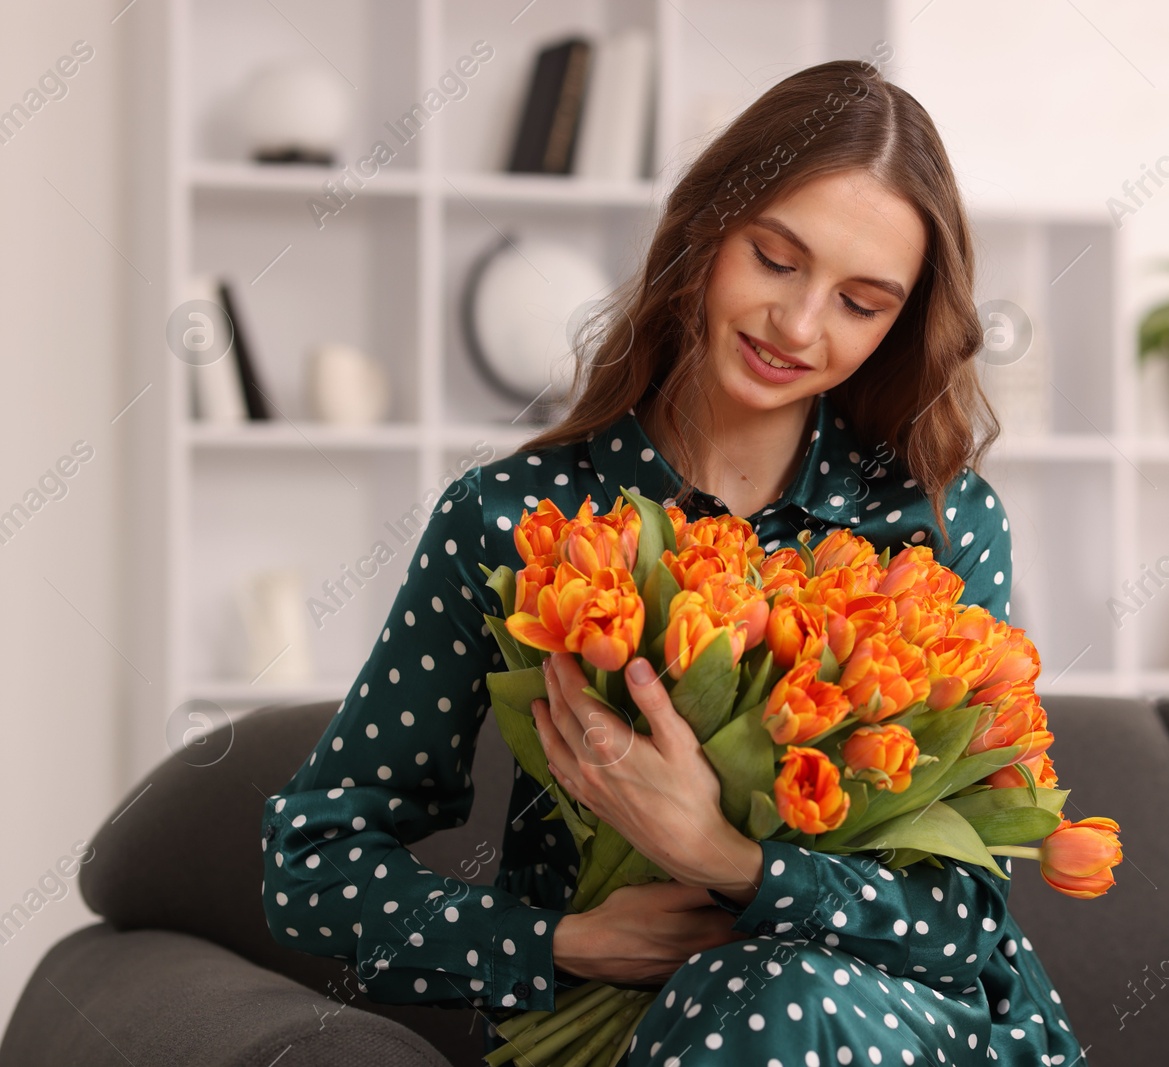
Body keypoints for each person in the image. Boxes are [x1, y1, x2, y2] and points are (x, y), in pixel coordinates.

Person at [261, 57, 1087, 1066]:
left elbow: (960, 919)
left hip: (905, 1032)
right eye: (776, 259)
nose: (798, 324)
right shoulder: (516, 520)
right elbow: (313, 862)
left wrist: (732, 862)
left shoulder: (935, 532)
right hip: (618, 1034)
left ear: (901, 324)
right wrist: (556, 943)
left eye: (860, 302)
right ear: (706, 228)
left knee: (776, 987)